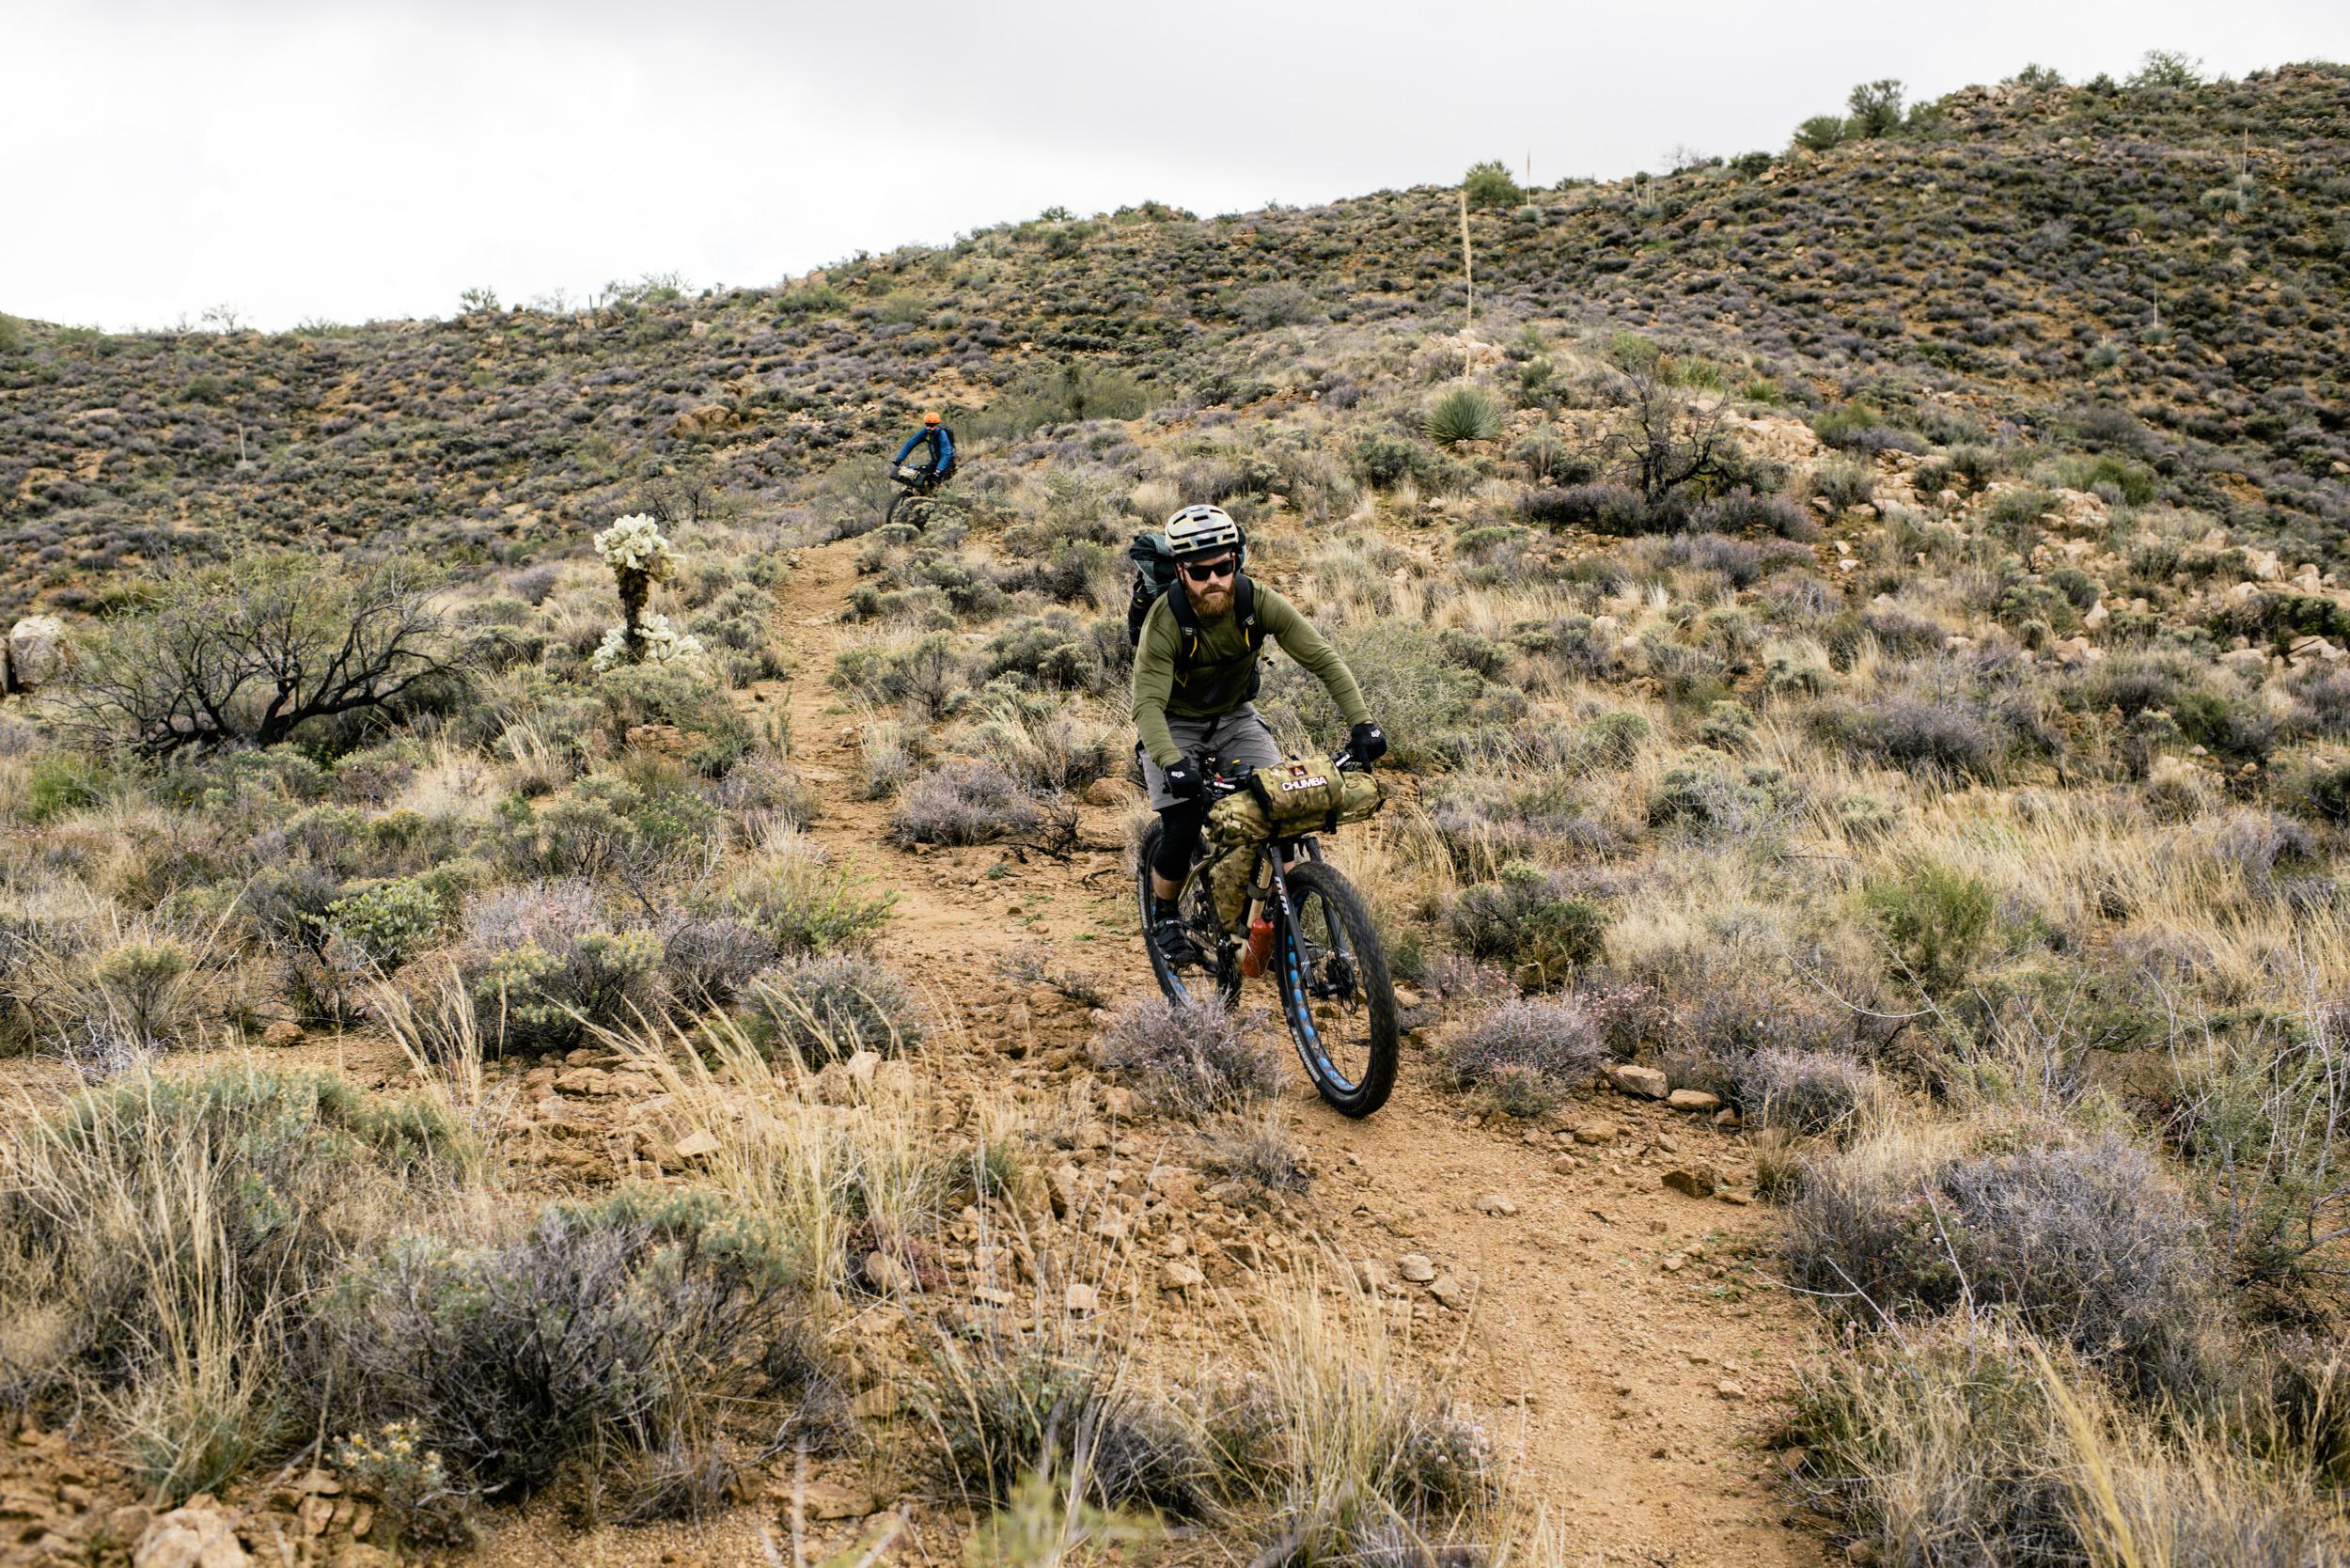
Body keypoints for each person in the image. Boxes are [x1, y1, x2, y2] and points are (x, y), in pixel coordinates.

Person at [1132, 503, 1386, 967]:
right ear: (1181, 572)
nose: (1214, 580)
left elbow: (1323, 659)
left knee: (1283, 807)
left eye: (1223, 567)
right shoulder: (1165, 620)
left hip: (1235, 717)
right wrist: (1171, 762)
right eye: (1200, 571)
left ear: (1237, 561)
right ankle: (1165, 914)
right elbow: (1146, 705)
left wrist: (1363, 723)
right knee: (1183, 822)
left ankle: (1283, 929)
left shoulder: (1258, 600)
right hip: (1172, 723)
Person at [889, 411, 956, 489]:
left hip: (947, 462)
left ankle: (937, 498)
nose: (929, 428)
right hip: (934, 461)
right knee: (921, 474)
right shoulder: (925, 432)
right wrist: (899, 459)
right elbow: (910, 444)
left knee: (937, 482)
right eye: (927, 425)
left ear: (937, 425)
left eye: (932, 425)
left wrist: (938, 471)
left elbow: (946, 454)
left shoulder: (942, 434)